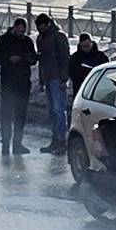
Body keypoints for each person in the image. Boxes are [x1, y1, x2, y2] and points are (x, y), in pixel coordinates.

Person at [0, 18, 37, 156]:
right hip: (8, 84)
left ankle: (17, 144)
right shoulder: (3, 40)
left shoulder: (27, 41)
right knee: (6, 114)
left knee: (21, 115)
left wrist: (25, 58)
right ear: (14, 27)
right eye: (19, 31)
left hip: (23, 84)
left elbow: (33, 59)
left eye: (23, 31)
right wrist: (9, 59)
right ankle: (5, 144)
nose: (21, 33)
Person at [34, 13, 71, 154]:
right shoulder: (41, 38)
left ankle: (62, 141)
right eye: (38, 28)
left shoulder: (58, 36)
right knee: (52, 112)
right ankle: (55, 140)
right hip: (48, 78)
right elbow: (42, 61)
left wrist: (63, 78)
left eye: (41, 27)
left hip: (57, 78)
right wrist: (41, 80)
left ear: (48, 24)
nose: (39, 30)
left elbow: (65, 58)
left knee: (59, 110)